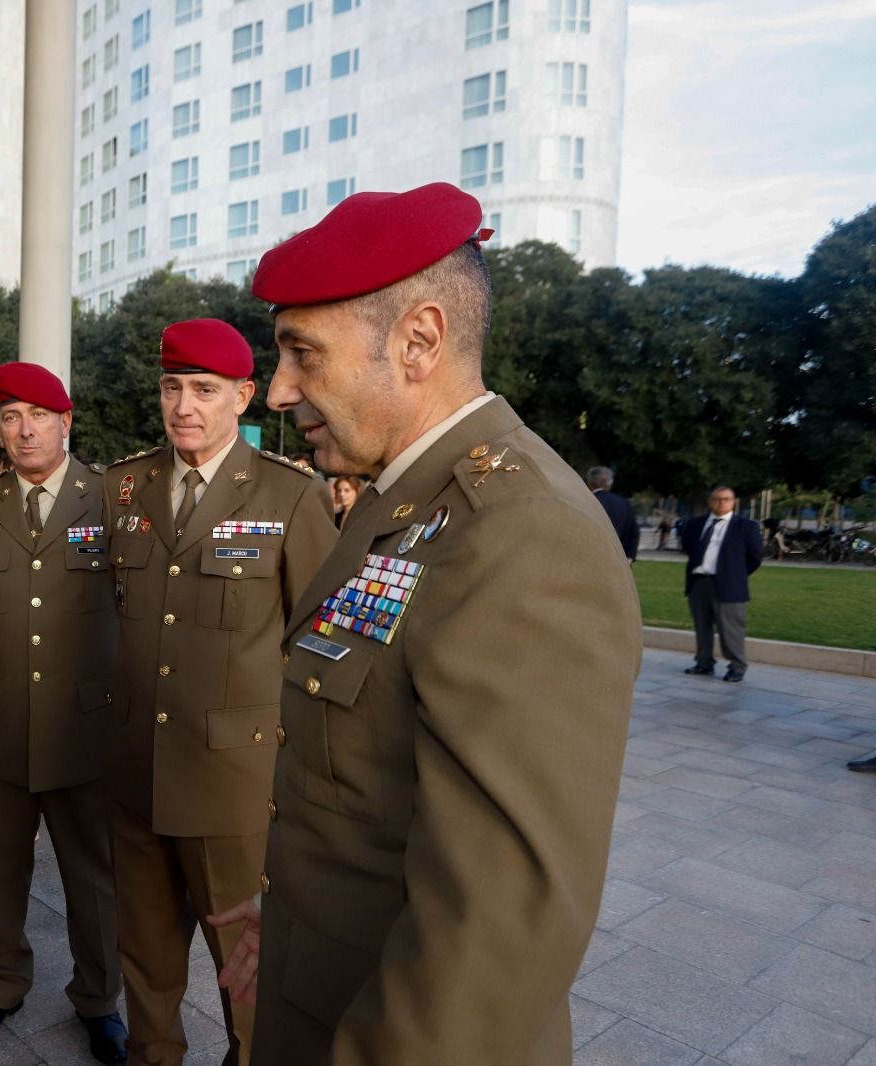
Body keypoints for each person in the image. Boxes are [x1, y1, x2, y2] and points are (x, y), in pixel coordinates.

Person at [200, 182, 641, 1066]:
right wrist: (290, 911)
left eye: (301, 353)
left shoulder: (522, 530)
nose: (278, 391)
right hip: (328, 981)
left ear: (418, 342)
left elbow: (497, 930)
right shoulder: (404, 502)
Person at [103, 319, 337, 1066]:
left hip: (232, 787)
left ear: (242, 396)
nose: (183, 406)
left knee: (245, 966)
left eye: (204, 390)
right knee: (144, 954)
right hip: (138, 771)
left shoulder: (289, 495)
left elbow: (320, 646)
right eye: (172, 387)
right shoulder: (126, 486)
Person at [0, 363, 128, 1062]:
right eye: (9, 416)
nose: (23, 429)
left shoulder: (113, 499)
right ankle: (1, 984)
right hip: (1, 718)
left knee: (92, 871)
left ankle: (99, 998)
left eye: (37, 415)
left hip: (87, 725)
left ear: (66, 421)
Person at [680, 486, 763, 682]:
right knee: (702, 626)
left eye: (726, 499)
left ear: (733, 502)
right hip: (699, 582)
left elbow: (755, 557)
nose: (721, 503)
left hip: (729, 585)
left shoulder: (745, 526)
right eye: (717, 499)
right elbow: (688, 547)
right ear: (710, 502)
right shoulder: (695, 524)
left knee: (731, 628)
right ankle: (704, 662)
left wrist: (736, 574)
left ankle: (737, 666)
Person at [588, 466, 639, 561]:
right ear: (610, 483)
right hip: (618, 559)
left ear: (590, 482)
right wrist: (630, 556)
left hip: (590, 556)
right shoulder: (624, 503)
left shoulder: (587, 500)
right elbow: (634, 532)